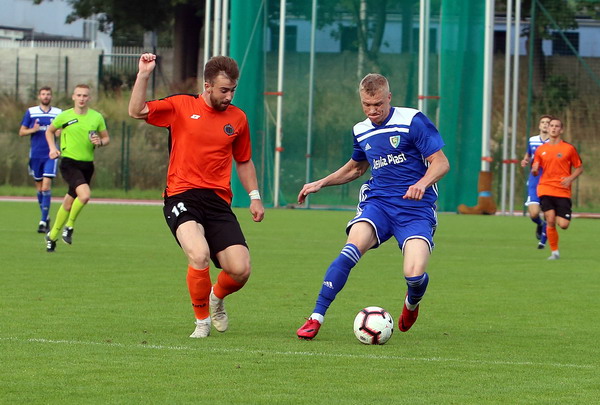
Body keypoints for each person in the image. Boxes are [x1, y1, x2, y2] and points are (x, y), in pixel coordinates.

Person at [296, 73, 450, 340]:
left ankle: (412, 302)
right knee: (349, 251)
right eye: (366, 105)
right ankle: (316, 317)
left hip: (415, 209)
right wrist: (322, 182)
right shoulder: (361, 130)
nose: (372, 110)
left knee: (414, 274)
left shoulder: (412, 121)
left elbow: (441, 162)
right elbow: (356, 168)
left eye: (378, 104)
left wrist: (422, 183)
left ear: (389, 97)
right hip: (378, 204)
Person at [128, 53, 265, 338]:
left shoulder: (238, 118)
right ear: (207, 85)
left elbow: (243, 161)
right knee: (199, 254)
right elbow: (136, 110)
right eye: (224, 90)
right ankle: (201, 321)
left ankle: (216, 297)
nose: (229, 96)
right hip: (181, 196)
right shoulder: (181, 106)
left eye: (233, 90)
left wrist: (254, 196)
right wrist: (143, 74)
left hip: (217, 201)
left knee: (240, 269)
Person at [44, 84, 110, 252]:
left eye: (85, 96)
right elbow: (49, 131)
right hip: (69, 163)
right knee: (85, 195)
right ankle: (69, 226)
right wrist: (52, 148)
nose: (81, 98)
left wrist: (100, 142)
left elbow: (106, 138)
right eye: (79, 95)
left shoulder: (96, 117)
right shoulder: (64, 116)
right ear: (73, 97)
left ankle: (51, 236)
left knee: (68, 203)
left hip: (87, 165)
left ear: (89, 98)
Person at [531, 118, 583, 260]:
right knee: (550, 219)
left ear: (561, 130)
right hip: (545, 188)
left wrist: (570, 178)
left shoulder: (569, 148)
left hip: (562, 191)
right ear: (548, 129)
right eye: (551, 126)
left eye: (557, 126)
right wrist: (534, 170)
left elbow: (579, 167)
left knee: (563, 224)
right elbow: (535, 170)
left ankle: (554, 246)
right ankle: (554, 252)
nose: (553, 128)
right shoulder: (541, 150)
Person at [19, 87, 62, 233]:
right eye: (43, 94)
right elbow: (22, 131)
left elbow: (61, 131)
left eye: (48, 94)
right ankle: (46, 216)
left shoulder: (58, 113)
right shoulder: (31, 112)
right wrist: (34, 129)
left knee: (46, 187)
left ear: (51, 96)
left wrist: (58, 131)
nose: (46, 96)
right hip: (35, 155)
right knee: (39, 188)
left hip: (51, 154)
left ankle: (43, 222)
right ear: (39, 96)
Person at [520, 115, 552, 249]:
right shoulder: (532, 140)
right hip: (534, 180)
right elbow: (528, 154)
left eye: (548, 123)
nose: (545, 124)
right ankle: (540, 224)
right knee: (533, 213)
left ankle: (542, 243)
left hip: (549, 181)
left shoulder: (555, 143)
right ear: (539, 125)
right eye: (542, 122)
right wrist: (525, 160)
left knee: (548, 213)